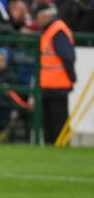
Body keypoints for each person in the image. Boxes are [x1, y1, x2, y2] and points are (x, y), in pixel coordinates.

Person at [35, 4, 76, 145]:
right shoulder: (49, 30)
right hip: (48, 85)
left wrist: (72, 78)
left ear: (46, 16)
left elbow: (68, 57)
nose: (36, 21)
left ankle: (62, 147)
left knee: (58, 122)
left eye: (38, 17)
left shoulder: (57, 31)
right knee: (48, 123)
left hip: (58, 85)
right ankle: (51, 148)